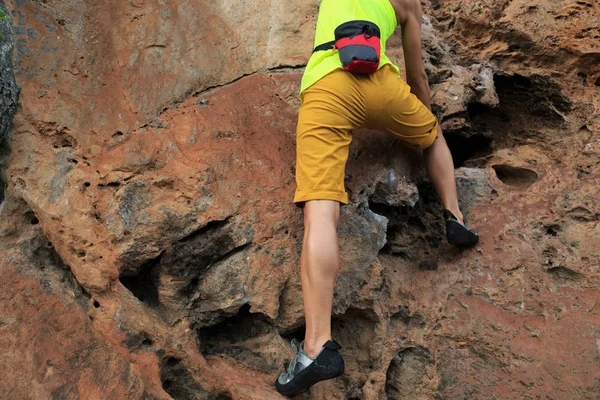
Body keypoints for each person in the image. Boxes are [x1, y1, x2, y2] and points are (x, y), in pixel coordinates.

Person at [275, 0, 479, 396]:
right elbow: (418, 77)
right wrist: (421, 116)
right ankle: (455, 216)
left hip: (329, 82)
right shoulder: (410, 5)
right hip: (383, 82)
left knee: (321, 210)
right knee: (432, 135)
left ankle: (317, 345)